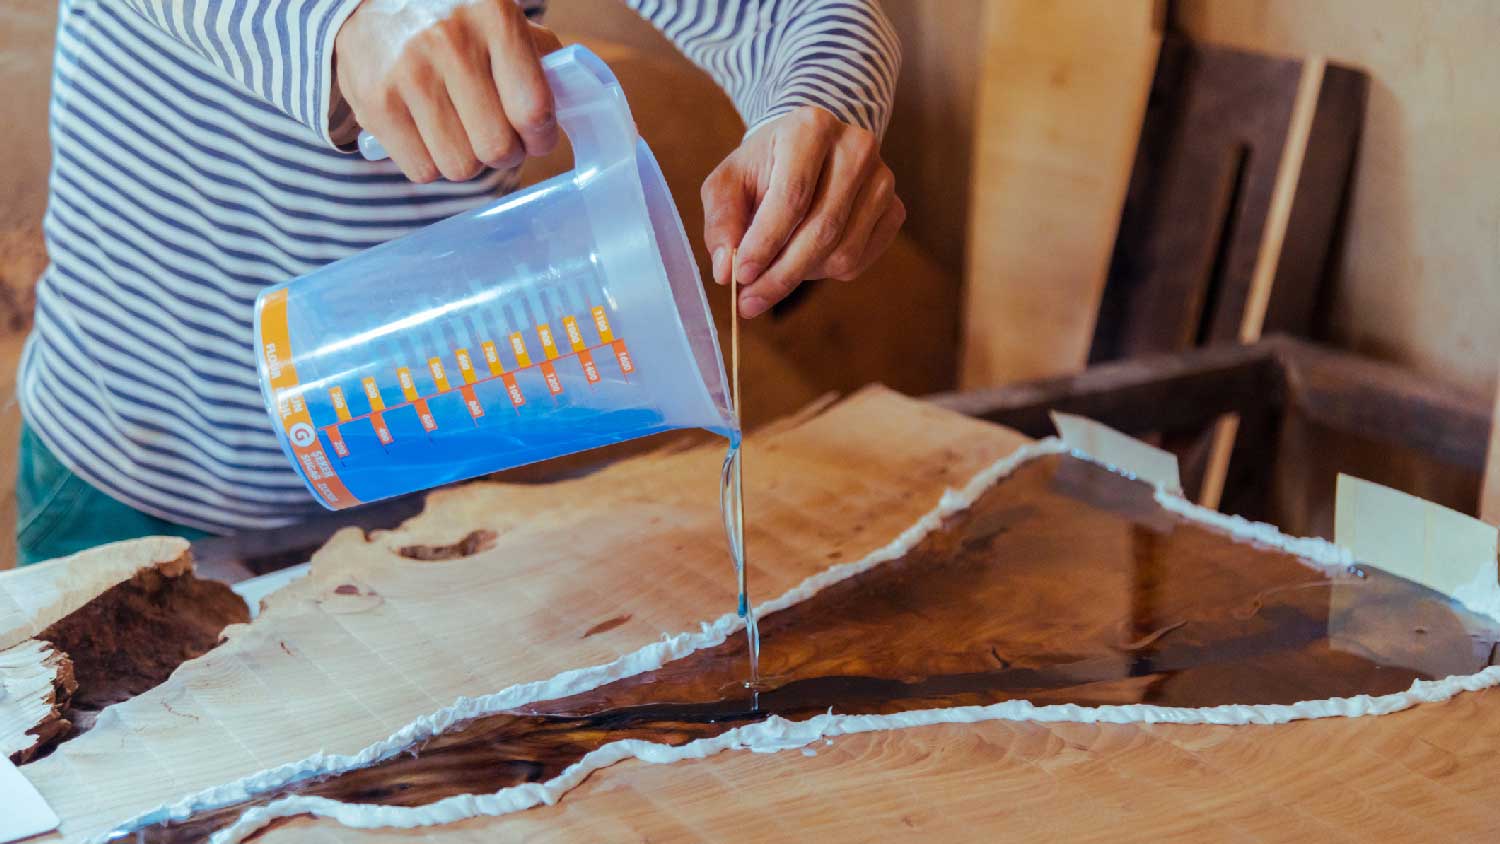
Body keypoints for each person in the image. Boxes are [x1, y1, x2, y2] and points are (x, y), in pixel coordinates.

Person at [16, 0, 904, 564]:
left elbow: (810, 16)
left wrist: (817, 109)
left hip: (408, 472)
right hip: (126, 478)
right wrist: (346, 23)